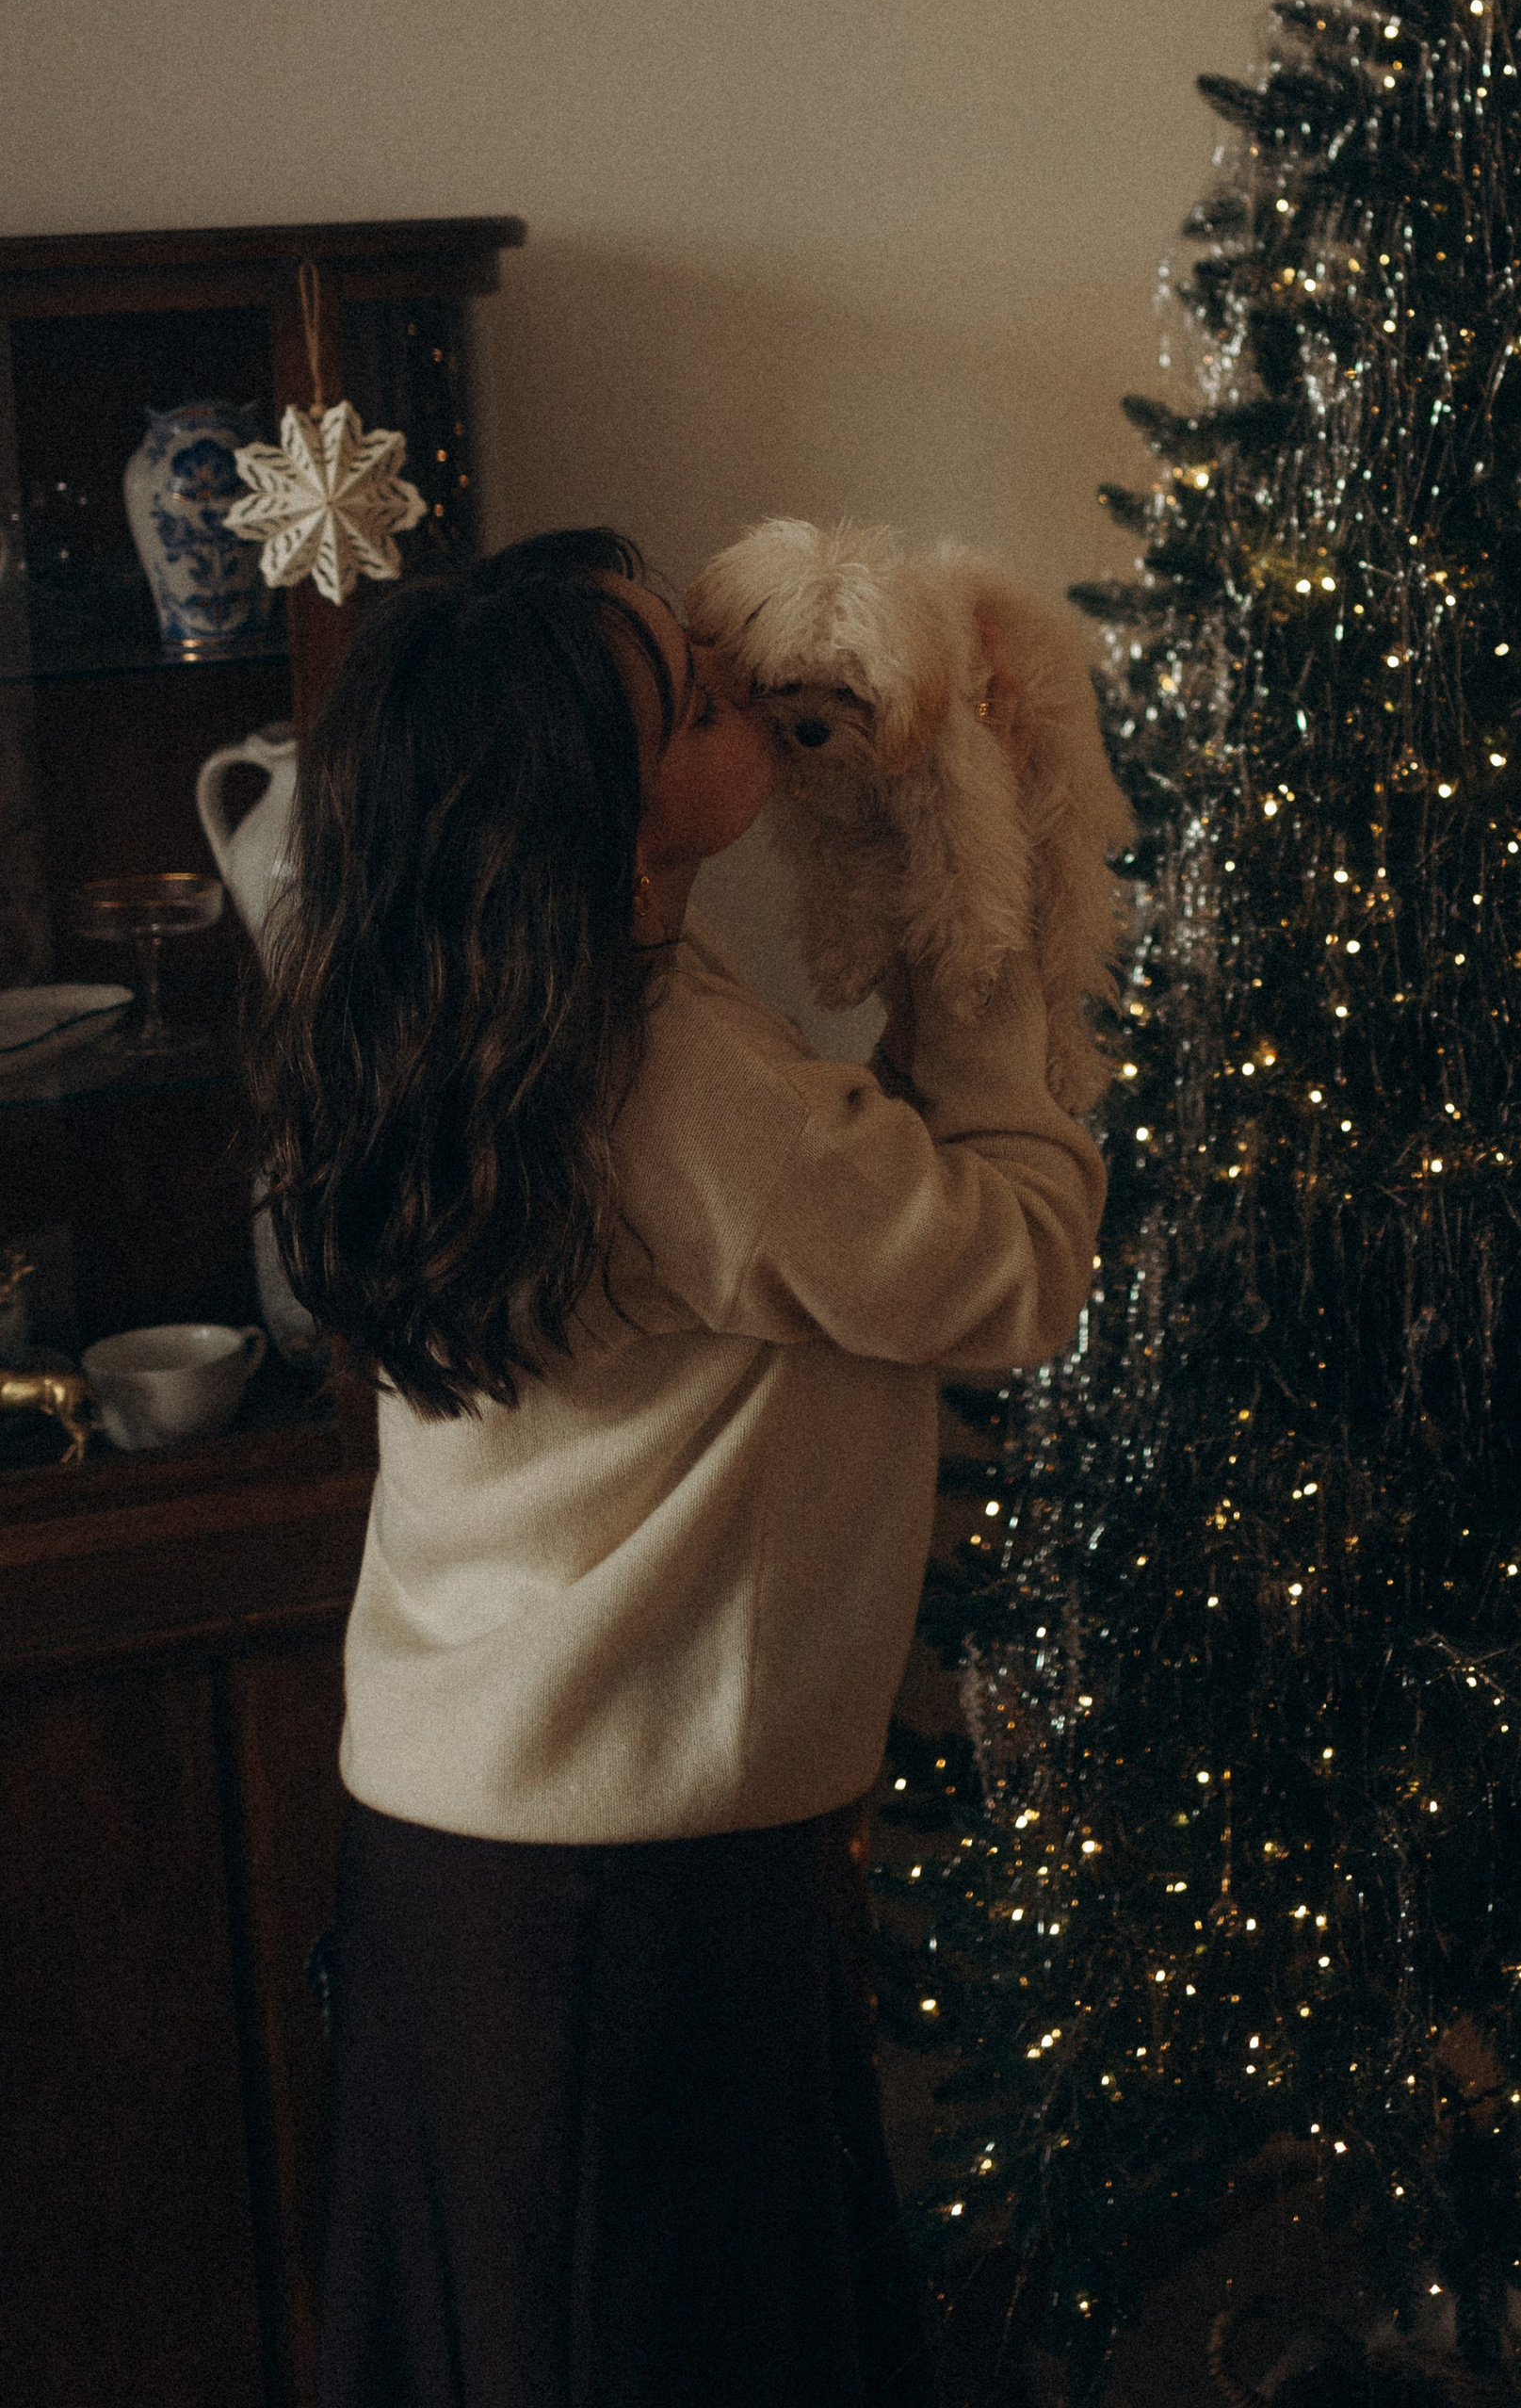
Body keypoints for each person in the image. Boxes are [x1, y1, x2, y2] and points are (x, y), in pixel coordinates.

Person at [254, 529, 1106, 2408]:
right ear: (602, 810)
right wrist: (977, 957)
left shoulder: (441, 993)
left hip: (468, 1837)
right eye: (700, 697)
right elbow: (1017, 1270)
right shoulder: (686, 1090)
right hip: (627, 1886)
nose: (744, 696)